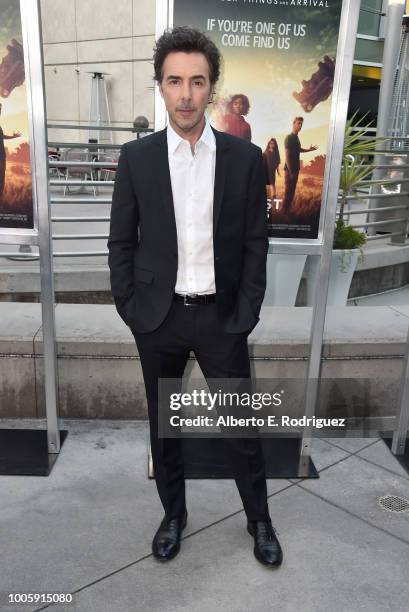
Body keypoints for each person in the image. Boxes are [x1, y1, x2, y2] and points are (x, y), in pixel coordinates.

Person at [107, 26, 282, 568]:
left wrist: (246, 312)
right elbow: (121, 242)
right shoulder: (136, 159)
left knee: (241, 431)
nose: (185, 94)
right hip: (157, 320)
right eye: (174, 81)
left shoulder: (243, 157)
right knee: (166, 428)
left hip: (222, 319)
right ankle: (173, 515)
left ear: (212, 88)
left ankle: (259, 520)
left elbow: (256, 242)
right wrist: (133, 311)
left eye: (197, 82)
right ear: (160, 87)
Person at [282, 116, 317, 213]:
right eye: (298, 123)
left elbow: (299, 150)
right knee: (288, 193)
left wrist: (309, 150)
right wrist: (291, 171)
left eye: (301, 124)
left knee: (291, 192)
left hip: (295, 169)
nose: (300, 126)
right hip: (290, 171)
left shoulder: (296, 138)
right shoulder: (289, 137)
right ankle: (284, 212)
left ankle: (287, 211)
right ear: (293, 124)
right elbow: (287, 155)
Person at [0, 103, 21, 200]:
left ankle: (1, 196)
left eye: (0, 109)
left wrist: (14, 136)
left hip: (1, 155)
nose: (0, 111)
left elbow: (2, 137)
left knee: (2, 175)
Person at [263, 137, 281, 202]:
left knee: (272, 183)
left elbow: (277, 162)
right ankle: (266, 196)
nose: (272, 144)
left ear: (275, 144)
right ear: (269, 144)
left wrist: (278, 171)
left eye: (273, 143)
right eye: (270, 143)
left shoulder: (276, 152)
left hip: (272, 170)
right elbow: (262, 160)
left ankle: (274, 196)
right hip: (266, 170)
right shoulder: (266, 151)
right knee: (266, 183)